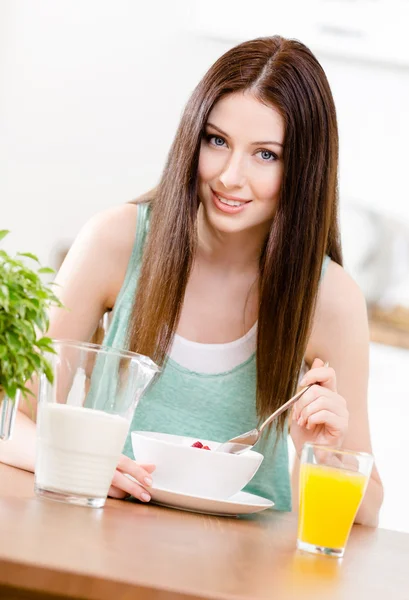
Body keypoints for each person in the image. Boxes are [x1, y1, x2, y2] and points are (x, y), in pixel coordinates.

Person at [0, 35, 383, 524]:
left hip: (241, 577)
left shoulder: (329, 297)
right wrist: (84, 466)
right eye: (216, 141)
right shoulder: (117, 241)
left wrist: (319, 455)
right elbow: (10, 418)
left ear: (304, 169)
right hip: (97, 542)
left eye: (266, 155)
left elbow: (369, 509)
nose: (229, 176)